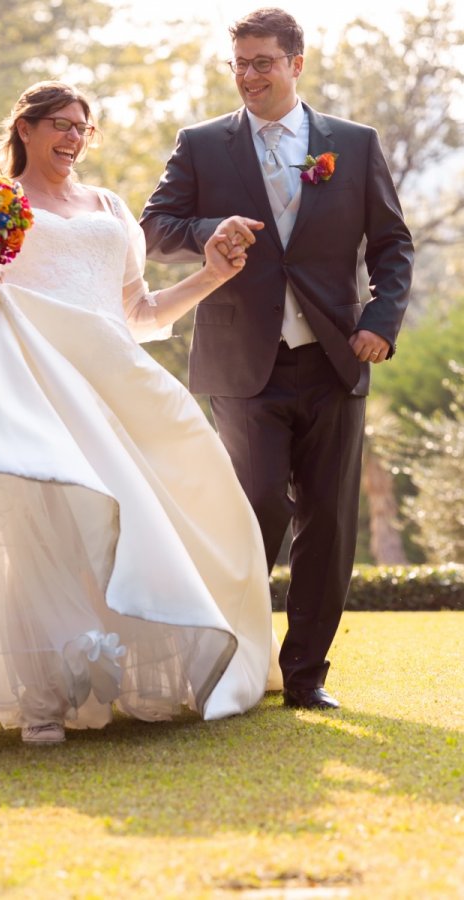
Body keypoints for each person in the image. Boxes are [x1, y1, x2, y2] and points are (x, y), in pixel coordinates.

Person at [0, 80, 283, 746]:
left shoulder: (110, 208)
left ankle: (108, 672)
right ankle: (42, 697)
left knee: (137, 516)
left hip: (104, 383)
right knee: (37, 528)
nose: (72, 137)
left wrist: (210, 278)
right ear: (24, 128)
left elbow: (139, 316)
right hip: (24, 385)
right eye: (59, 124)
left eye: (83, 128)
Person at [140, 8, 414, 709]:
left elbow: (392, 246)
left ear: (297, 64)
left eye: (262, 63)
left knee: (328, 519)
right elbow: (155, 227)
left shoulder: (353, 145)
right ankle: (232, 656)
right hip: (240, 364)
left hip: (334, 359)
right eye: (239, 64)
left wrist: (380, 321)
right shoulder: (201, 145)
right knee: (254, 505)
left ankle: (305, 677)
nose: (248, 77)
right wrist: (208, 229)